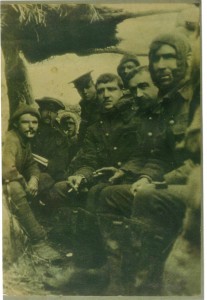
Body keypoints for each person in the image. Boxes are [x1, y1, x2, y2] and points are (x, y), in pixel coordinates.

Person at [2, 104, 61, 261]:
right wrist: (23, 182)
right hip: (7, 183)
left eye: (34, 123)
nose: (31, 126)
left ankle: (41, 218)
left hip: (16, 181)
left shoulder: (25, 141)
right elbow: (7, 170)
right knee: (14, 187)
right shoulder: (10, 139)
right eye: (25, 122)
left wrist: (34, 180)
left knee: (45, 178)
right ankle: (38, 240)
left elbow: (32, 165)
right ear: (16, 124)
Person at [31, 96, 69, 183]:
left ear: (56, 115)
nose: (48, 114)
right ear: (39, 111)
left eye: (52, 111)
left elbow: (60, 164)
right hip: (30, 172)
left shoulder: (61, 136)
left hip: (52, 176)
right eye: (45, 110)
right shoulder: (31, 129)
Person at [70, 71, 100, 145]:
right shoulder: (84, 105)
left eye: (87, 87)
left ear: (94, 85)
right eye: (80, 89)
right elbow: (84, 128)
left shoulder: (105, 101)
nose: (84, 92)